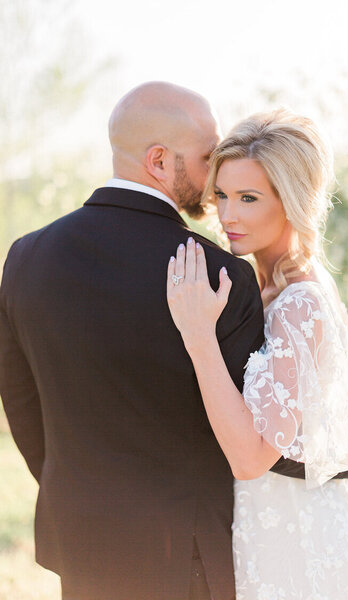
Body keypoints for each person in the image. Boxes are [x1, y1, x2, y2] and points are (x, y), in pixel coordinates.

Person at [0, 82, 266, 600]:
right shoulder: (220, 274)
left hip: (82, 544)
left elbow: (22, 404)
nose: (216, 179)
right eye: (208, 157)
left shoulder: (25, 258)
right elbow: (248, 429)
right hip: (189, 560)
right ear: (160, 161)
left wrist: (78, 491)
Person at [167, 108, 348, 599]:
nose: (228, 215)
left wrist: (198, 335)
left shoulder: (299, 302)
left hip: (304, 546)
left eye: (248, 198)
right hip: (279, 531)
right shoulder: (277, 287)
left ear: (291, 201)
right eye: (223, 196)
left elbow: (252, 458)